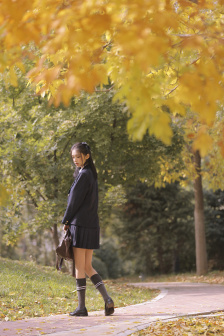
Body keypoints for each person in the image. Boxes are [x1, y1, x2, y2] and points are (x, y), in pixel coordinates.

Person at [62, 142, 114, 317]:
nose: (75, 160)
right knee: (88, 266)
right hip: (92, 226)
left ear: (87, 156)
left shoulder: (84, 175)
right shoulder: (91, 175)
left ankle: (81, 307)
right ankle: (107, 299)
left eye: (78, 156)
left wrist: (66, 220)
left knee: (79, 267)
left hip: (80, 225)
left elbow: (74, 201)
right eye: (73, 157)